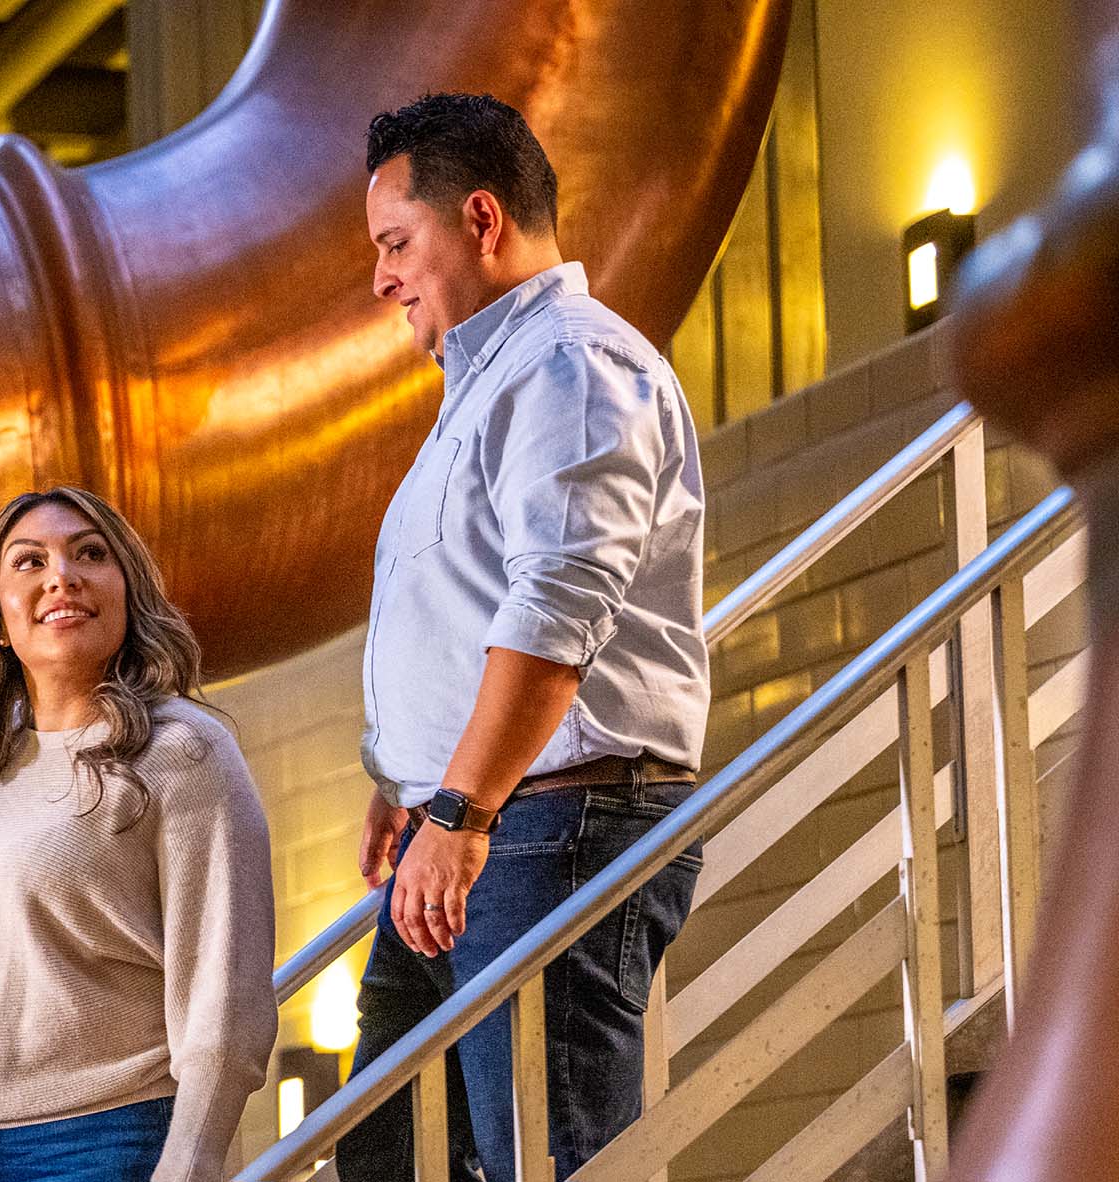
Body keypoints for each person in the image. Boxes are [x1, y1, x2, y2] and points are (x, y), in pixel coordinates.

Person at [338, 93, 710, 1181]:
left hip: (543, 827)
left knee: (546, 1162)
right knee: (389, 1159)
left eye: (396, 244)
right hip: (476, 824)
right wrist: (407, 773)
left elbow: (557, 608)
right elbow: (473, 604)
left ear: (483, 220)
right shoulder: (491, 383)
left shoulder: (572, 367)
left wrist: (459, 802)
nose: (381, 278)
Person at [0, 485, 276, 1182]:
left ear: (127, 593)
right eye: (29, 562)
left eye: (91, 554)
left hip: (98, 1141)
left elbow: (225, 988)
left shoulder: (181, 749)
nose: (62, 574)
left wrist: (192, 1160)